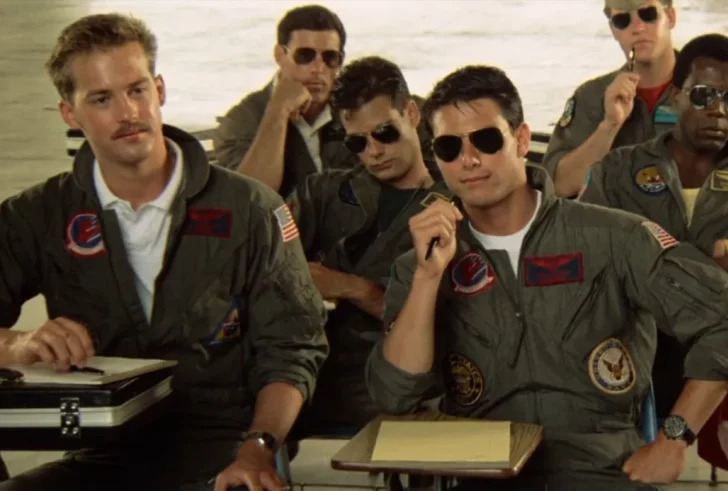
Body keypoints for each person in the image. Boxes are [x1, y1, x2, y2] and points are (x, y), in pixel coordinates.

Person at [364, 64, 728, 490]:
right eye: (449, 147)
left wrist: (674, 438)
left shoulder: (612, 238)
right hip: (482, 469)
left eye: (486, 140)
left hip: (599, 469)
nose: (469, 160)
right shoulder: (423, 261)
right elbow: (395, 394)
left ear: (521, 140)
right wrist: (428, 279)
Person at [0, 13, 328, 491]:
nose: (128, 112)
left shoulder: (252, 209)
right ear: (70, 114)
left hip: (224, 453)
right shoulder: (37, 215)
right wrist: (19, 345)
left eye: (136, 90)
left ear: (159, 90)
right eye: (101, 99)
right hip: (99, 455)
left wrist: (258, 449)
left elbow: (293, 349)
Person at [577, 33, 728, 491]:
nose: (718, 110)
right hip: (640, 350)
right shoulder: (617, 173)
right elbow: (591, 272)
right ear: (676, 94)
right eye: (705, 96)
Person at [285, 56, 450, 437]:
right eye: (358, 141)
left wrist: (352, 288)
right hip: (305, 373)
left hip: (399, 384)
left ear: (412, 113)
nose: (374, 151)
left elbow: (451, 322)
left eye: (385, 133)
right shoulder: (322, 192)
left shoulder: (453, 205)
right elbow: (265, 259)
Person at [213, 4, 358, 199]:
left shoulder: (353, 106)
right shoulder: (242, 120)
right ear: (280, 55)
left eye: (330, 57)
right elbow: (252, 198)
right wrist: (278, 112)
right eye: (305, 56)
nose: (318, 68)